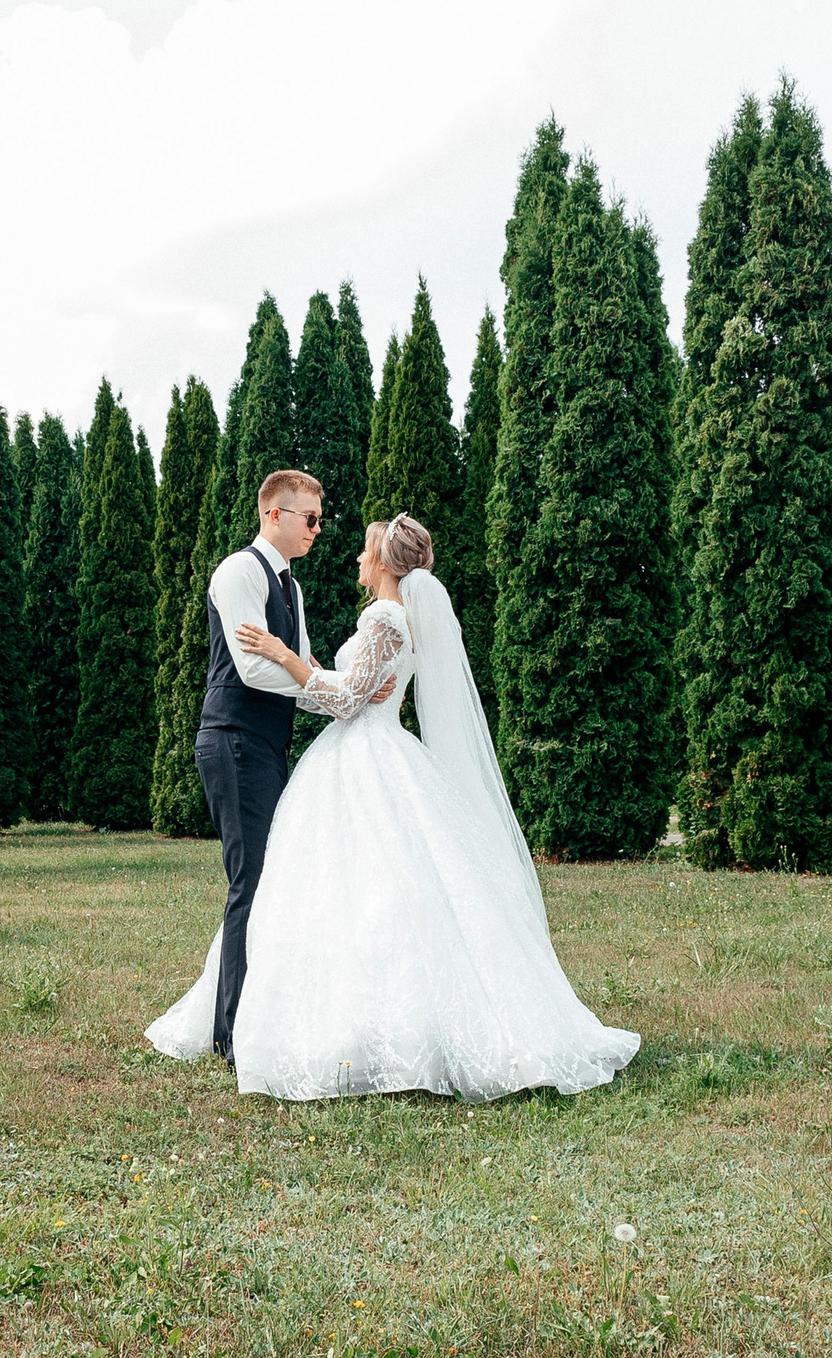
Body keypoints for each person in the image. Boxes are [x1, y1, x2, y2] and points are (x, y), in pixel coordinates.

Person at [148, 514, 639, 1102]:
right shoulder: (391, 619)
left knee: (362, 892)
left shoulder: (384, 618)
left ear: (383, 561)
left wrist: (283, 654)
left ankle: (362, 1031)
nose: (355, 558)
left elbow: (347, 699)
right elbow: (353, 688)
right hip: (367, 750)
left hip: (363, 755)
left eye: (363, 550)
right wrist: (321, 678)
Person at [186, 470, 392, 1063]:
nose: (317, 530)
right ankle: (230, 1036)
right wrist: (328, 686)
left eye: (320, 521)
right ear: (274, 513)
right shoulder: (238, 573)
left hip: (268, 746)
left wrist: (348, 690)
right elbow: (253, 671)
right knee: (250, 881)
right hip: (233, 740)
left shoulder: (292, 588)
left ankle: (258, 1019)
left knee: (272, 881)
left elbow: (298, 665)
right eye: (309, 519)